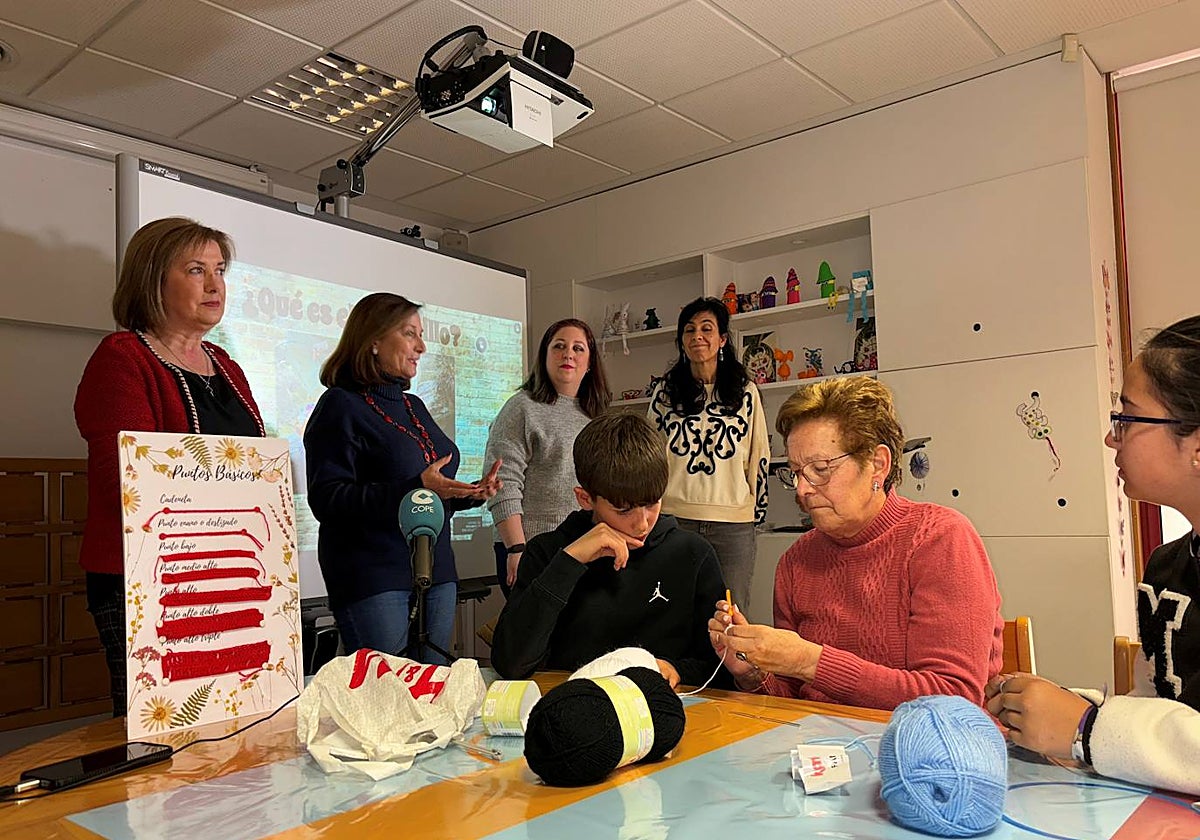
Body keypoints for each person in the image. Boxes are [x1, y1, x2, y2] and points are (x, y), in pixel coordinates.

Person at [987, 315, 1200, 795]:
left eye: (1127, 417)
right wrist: (1067, 709)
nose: (1111, 437)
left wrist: (1087, 728)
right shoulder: (1168, 566)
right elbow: (1166, 708)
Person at [709, 376, 1004, 711]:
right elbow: (793, 701)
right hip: (823, 752)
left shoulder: (939, 539)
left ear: (878, 464)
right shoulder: (796, 561)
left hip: (926, 756)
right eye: (794, 473)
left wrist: (810, 661)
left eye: (820, 469)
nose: (803, 489)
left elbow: (952, 699)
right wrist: (753, 673)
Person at [75, 217, 265, 715]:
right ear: (153, 279)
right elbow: (127, 477)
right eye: (196, 270)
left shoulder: (228, 365)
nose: (214, 284)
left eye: (220, 271)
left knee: (239, 722)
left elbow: (256, 466)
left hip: (229, 575)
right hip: (149, 583)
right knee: (167, 736)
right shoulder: (122, 358)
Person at [303, 293, 501, 664]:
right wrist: (417, 488)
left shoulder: (414, 406)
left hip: (436, 571)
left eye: (421, 335)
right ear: (373, 340)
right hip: (374, 575)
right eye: (410, 334)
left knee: (433, 692)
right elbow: (328, 499)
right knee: (388, 698)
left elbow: (425, 497)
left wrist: (469, 494)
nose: (422, 347)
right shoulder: (340, 405)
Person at [491, 412, 726, 688]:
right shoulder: (548, 552)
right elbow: (511, 663)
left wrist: (676, 670)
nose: (642, 523)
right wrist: (569, 562)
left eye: (652, 503)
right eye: (623, 510)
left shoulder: (693, 555)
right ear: (585, 499)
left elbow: (721, 667)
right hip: (572, 709)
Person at [648, 296, 769, 612]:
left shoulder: (745, 392)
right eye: (689, 330)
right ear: (681, 341)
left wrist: (755, 512)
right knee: (671, 612)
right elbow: (649, 456)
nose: (697, 336)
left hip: (733, 523)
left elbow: (759, 455)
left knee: (732, 613)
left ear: (722, 340)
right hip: (674, 520)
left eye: (706, 329)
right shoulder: (665, 393)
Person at [483, 318, 611, 597]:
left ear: (589, 363)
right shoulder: (521, 407)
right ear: (544, 356)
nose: (568, 354)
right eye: (559, 346)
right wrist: (516, 548)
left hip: (584, 544)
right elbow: (503, 482)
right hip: (532, 546)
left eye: (578, 348)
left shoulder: (596, 416)